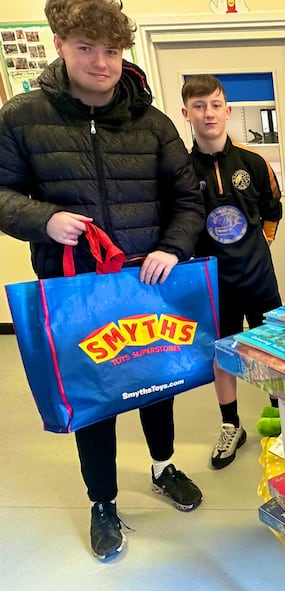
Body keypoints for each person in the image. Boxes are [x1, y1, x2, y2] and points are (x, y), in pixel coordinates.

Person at [0, 0, 206, 560]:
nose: (100, 62)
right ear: (60, 46)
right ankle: (103, 502)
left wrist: (172, 245)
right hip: (74, 287)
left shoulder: (153, 122)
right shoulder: (23, 116)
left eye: (111, 50)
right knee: (93, 395)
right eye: (86, 48)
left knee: (155, 381)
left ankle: (163, 467)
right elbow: (2, 193)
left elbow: (189, 198)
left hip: (147, 281)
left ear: (124, 53)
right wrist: (44, 219)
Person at [181, 75, 283, 469]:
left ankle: (281, 420)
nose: (209, 113)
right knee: (222, 355)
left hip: (258, 278)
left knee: (274, 353)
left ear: (228, 110)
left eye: (216, 104)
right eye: (199, 105)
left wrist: (255, 250)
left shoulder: (254, 163)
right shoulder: (181, 170)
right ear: (186, 112)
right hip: (211, 285)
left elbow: (272, 211)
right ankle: (231, 426)